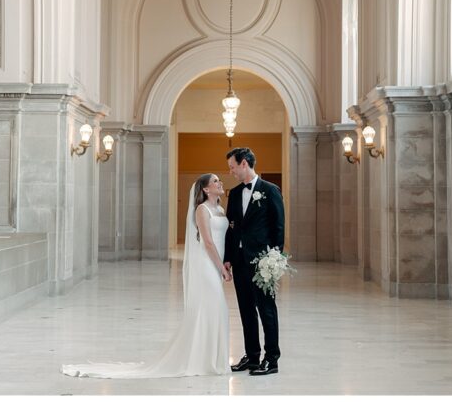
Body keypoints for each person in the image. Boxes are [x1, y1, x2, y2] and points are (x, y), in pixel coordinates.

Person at [62, 173, 232, 378]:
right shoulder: (202, 210)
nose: (219, 183)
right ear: (205, 189)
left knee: (217, 309)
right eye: (215, 181)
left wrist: (225, 263)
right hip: (207, 265)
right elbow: (208, 242)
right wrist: (220, 267)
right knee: (212, 307)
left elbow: (224, 239)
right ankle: (202, 360)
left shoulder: (220, 210)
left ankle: (213, 358)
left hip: (217, 263)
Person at [223, 147, 285, 376]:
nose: (230, 171)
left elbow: (278, 227)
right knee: (246, 310)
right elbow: (231, 228)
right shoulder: (235, 193)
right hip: (239, 262)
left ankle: (272, 359)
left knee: (267, 310)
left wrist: (274, 259)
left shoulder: (270, 191)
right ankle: (252, 356)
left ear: (244, 164)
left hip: (263, 262)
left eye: (232, 167)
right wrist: (227, 258)